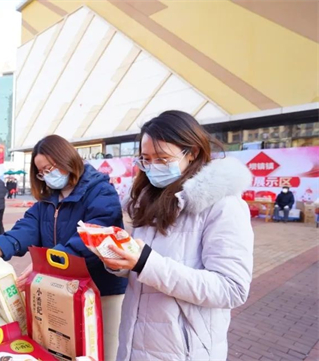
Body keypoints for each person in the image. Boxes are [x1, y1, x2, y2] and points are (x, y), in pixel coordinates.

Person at [97, 110, 254, 361]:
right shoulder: (146, 199)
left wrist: (146, 262)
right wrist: (118, 260)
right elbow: (142, 265)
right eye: (146, 159)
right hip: (134, 341)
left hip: (184, 348)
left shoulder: (224, 205)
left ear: (192, 153)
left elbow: (232, 289)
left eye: (162, 159)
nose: (152, 167)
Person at [0, 135, 128, 360]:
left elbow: (92, 236)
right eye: (41, 172)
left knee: (102, 352)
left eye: (49, 168)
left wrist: (47, 264)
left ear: (67, 159)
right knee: (65, 351)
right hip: (62, 290)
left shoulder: (100, 191)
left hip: (100, 290)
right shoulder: (47, 199)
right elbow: (27, 227)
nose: (46, 176)